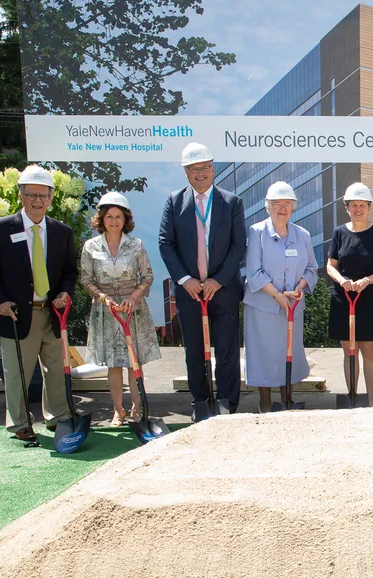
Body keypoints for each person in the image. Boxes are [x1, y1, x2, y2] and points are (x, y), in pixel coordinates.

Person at [0, 165, 78, 440]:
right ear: (20, 196)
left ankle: (59, 417)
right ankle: (20, 422)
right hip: (18, 315)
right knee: (17, 373)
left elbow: (70, 272)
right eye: (31, 194)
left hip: (52, 313)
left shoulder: (61, 231)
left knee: (56, 370)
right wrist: (0, 303)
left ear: (51, 198)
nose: (37, 201)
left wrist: (65, 293)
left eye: (43, 196)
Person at [159, 142, 247, 417]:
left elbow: (238, 245)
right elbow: (165, 243)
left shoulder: (231, 202)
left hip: (223, 291)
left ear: (213, 168)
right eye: (194, 169)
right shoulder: (174, 202)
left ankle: (226, 404)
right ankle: (200, 401)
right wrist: (185, 280)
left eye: (206, 167)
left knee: (226, 352)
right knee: (194, 352)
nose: (201, 173)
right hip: (190, 292)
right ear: (186, 171)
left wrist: (218, 280)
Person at [80, 192, 160, 426]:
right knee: (113, 363)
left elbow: (147, 276)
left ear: (126, 220)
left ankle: (138, 408)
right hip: (106, 311)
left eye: (119, 216)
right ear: (101, 219)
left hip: (132, 310)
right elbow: (86, 280)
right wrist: (103, 297)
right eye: (109, 216)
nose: (114, 221)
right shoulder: (90, 246)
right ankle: (118, 411)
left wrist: (134, 296)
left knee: (134, 361)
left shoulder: (136, 245)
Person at [243, 181, 317, 412]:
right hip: (263, 306)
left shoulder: (302, 235)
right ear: (268, 206)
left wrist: (301, 287)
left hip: (292, 306)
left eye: (287, 204)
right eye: (277, 204)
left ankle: (288, 401)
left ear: (293, 207)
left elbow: (312, 268)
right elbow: (254, 272)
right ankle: (265, 403)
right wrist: (277, 296)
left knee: (290, 351)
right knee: (263, 353)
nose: (282, 208)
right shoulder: (257, 232)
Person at [325, 182, 373, 407]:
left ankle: (371, 400)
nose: (358, 209)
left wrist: (367, 280)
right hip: (344, 297)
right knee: (349, 349)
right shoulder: (339, 232)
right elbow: (330, 265)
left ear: (368, 207)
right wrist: (341, 280)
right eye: (353, 205)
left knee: (369, 350)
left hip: (370, 297)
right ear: (347, 207)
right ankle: (352, 397)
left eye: (362, 205)